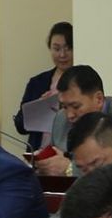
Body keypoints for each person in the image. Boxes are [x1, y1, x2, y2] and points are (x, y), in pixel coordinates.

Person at [38, 65, 112, 175]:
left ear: (98, 99)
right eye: (64, 107)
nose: (69, 115)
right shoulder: (60, 119)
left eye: (76, 106)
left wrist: (70, 169)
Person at [14, 20, 73, 152]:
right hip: (39, 153)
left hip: (68, 155)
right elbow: (20, 125)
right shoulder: (37, 82)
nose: (62, 54)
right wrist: (39, 106)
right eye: (56, 49)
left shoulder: (82, 81)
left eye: (68, 48)